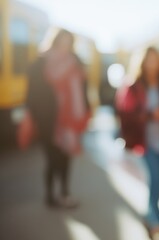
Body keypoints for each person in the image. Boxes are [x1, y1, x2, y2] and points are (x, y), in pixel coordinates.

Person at [115, 47, 159, 240]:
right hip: (145, 143)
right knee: (155, 180)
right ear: (142, 62)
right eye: (149, 60)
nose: (153, 64)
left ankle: (147, 216)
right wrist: (150, 115)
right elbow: (126, 113)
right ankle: (156, 222)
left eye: (156, 59)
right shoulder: (133, 85)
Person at [25, 28, 91, 209]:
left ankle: (64, 193)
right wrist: (38, 117)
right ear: (53, 41)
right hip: (49, 121)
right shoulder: (40, 63)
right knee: (52, 159)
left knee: (66, 158)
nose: (65, 46)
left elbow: (84, 88)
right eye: (61, 41)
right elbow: (31, 95)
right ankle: (49, 195)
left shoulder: (76, 62)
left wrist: (86, 111)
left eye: (68, 42)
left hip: (70, 121)